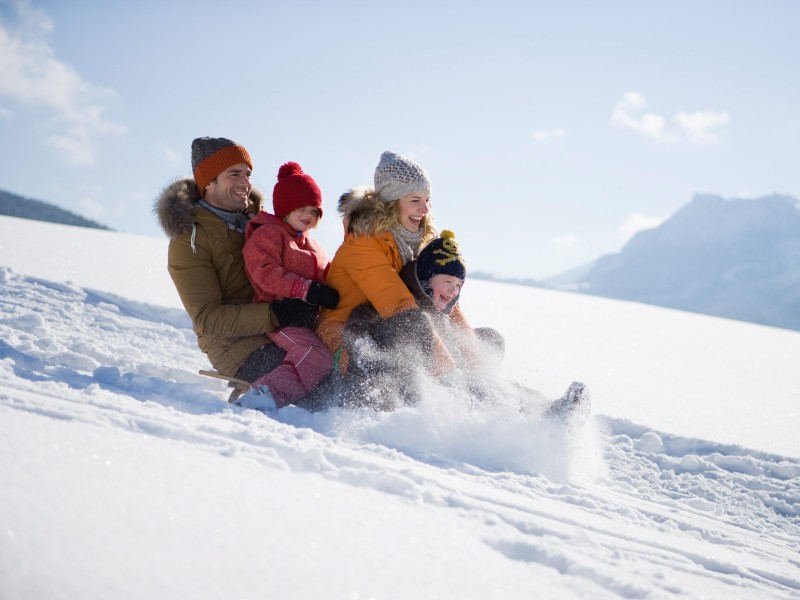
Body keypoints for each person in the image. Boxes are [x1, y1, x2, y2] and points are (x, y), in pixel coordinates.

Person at [153, 137, 325, 411]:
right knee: (321, 392)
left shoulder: (260, 224)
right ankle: (251, 406)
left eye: (247, 174)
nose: (245, 182)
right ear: (208, 182)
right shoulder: (190, 238)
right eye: (234, 174)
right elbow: (208, 319)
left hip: (285, 328)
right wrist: (277, 313)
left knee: (345, 366)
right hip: (239, 347)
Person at [317, 151, 463, 408]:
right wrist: (453, 375)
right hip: (350, 337)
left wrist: (477, 366)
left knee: (483, 338)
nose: (425, 208)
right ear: (392, 202)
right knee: (414, 324)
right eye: (415, 200)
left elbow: (449, 308)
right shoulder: (363, 242)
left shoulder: (422, 241)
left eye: (428, 199)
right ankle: (426, 413)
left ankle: (518, 407)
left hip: (390, 329)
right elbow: (398, 305)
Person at [238, 161, 339, 410]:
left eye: (314, 210)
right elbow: (264, 271)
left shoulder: (314, 247)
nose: (308, 215)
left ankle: (324, 404)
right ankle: (264, 394)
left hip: (308, 320)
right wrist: (306, 289)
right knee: (313, 355)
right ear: (285, 208)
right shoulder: (269, 234)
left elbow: (329, 276)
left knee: (333, 354)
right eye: (300, 208)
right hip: (280, 316)